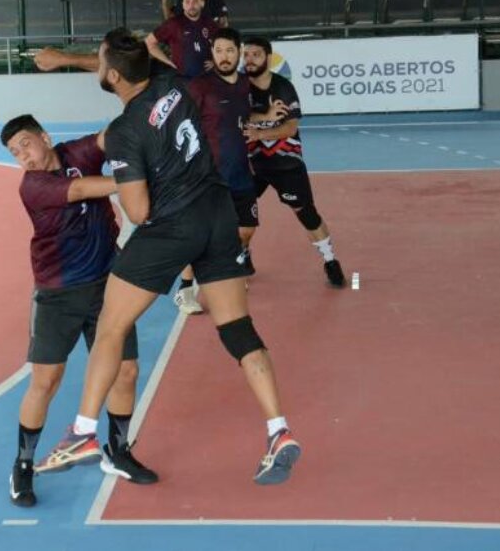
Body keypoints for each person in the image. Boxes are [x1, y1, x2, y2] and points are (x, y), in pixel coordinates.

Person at [36, 28, 301, 486]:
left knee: (110, 325)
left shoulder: (123, 132)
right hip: (219, 214)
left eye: (100, 64)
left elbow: (137, 210)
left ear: (114, 76)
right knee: (238, 329)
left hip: (174, 227)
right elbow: (121, 64)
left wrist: (126, 181)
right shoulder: (172, 82)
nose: (96, 67)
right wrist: (65, 60)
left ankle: (83, 432)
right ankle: (278, 430)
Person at [0, 115, 157, 507]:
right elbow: (86, 188)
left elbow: (110, 136)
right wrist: (145, 179)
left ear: (45, 138)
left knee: (126, 371)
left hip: (109, 284)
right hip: (58, 293)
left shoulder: (75, 152)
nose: (24, 156)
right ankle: (22, 464)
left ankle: (117, 451)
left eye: (26, 145)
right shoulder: (33, 186)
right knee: (46, 381)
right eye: (15, 152)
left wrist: (147, 113)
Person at [242, 36, 346, 288]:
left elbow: (290, 128)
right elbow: (234, 117)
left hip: (284, 164)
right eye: (246, 55)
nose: (249, 60)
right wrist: (261, 118)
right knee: (240, 218)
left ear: (267, 57)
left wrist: (259, 132)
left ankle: (330, 261)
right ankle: (242, 257)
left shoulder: (283, 88)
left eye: (255, 55)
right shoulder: (239, 87)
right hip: (250, 164)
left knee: (307, 214)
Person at [173, 27, 259, 315]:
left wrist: (267, 118)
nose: (224, 56)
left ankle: (234, 264)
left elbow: (246, 115)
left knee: (246, 230)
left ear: (239, 52)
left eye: (230, 51)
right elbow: (182, 126)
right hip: (207, 176)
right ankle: (185, 290)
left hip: (241, 173)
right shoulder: (200, 86)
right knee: (197, 235)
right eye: (219, 51)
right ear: (212, 53)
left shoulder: (246, 84)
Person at [145, 0, 218, 78]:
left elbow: (223, 44)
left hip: (206, 79)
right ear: (183, 5)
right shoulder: (174, 23)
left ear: (202, 3)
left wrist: (216, 61)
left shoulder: (210, 23)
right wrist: (168, 62)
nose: (191, 6)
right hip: (181, 79)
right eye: (187, 2)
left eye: (195, 1)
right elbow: (149, 43)